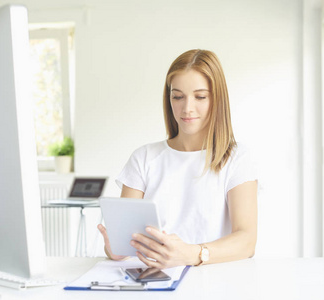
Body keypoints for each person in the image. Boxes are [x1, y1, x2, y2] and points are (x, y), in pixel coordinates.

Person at [98, 49, 258, 269]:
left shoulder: (237, 158)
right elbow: (125, 241)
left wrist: (193, 254)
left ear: (217, 99)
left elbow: (246, 241)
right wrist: (115, 250)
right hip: (154, 281)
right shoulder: (143, 158)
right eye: (178, 96)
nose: (187, 108)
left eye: (200, 97)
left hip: (215, 281)